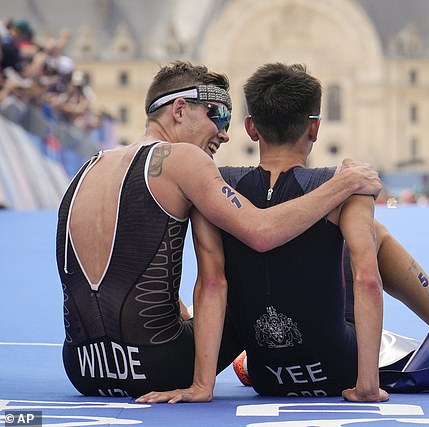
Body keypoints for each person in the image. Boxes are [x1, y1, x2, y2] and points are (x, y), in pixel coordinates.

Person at [136, 63, 429, 404]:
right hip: (340, 369)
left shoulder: (218, 184)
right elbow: (367, 281)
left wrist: (203, 385)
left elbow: (211, 284)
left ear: (250, 128)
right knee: (374, 236)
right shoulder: (342, 183)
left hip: (268, 376)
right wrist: (367, 384)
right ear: (315, 128)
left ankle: (250, 358)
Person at [55, 61, 381, 399]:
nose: (224, 133)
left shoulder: (91, 165)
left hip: (82, 367)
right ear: (179, 110)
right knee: (248, 285)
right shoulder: (183, 158)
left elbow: (119, 266)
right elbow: (261, 231)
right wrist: (342, 185)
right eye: (218, 118)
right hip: (159, 366)